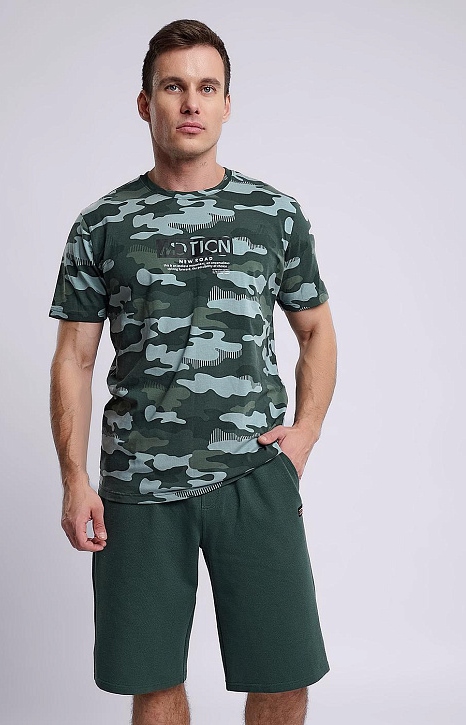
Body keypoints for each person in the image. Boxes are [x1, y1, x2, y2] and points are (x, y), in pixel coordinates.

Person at [48, 18, 337, 725]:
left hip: (254, 474)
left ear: (227, 104)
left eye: (207, 87)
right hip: (139, 484)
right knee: (154, 679)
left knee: (285, 673)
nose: (190, 103)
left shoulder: (274, 215)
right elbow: (74, 358)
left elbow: (317, 331)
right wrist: (75, 479)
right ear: (145, 102)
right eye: (173, 86)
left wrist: (303, 437)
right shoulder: (103, 224)